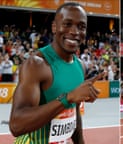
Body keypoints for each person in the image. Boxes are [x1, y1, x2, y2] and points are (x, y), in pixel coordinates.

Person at [9, 2, 104, 144]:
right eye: (67, 24)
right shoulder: (36, 64)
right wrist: (68, 98)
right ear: (54, 27)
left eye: (81, 27)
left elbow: (74, 115)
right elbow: (16, 125)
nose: (75, 32)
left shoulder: (80, 66)